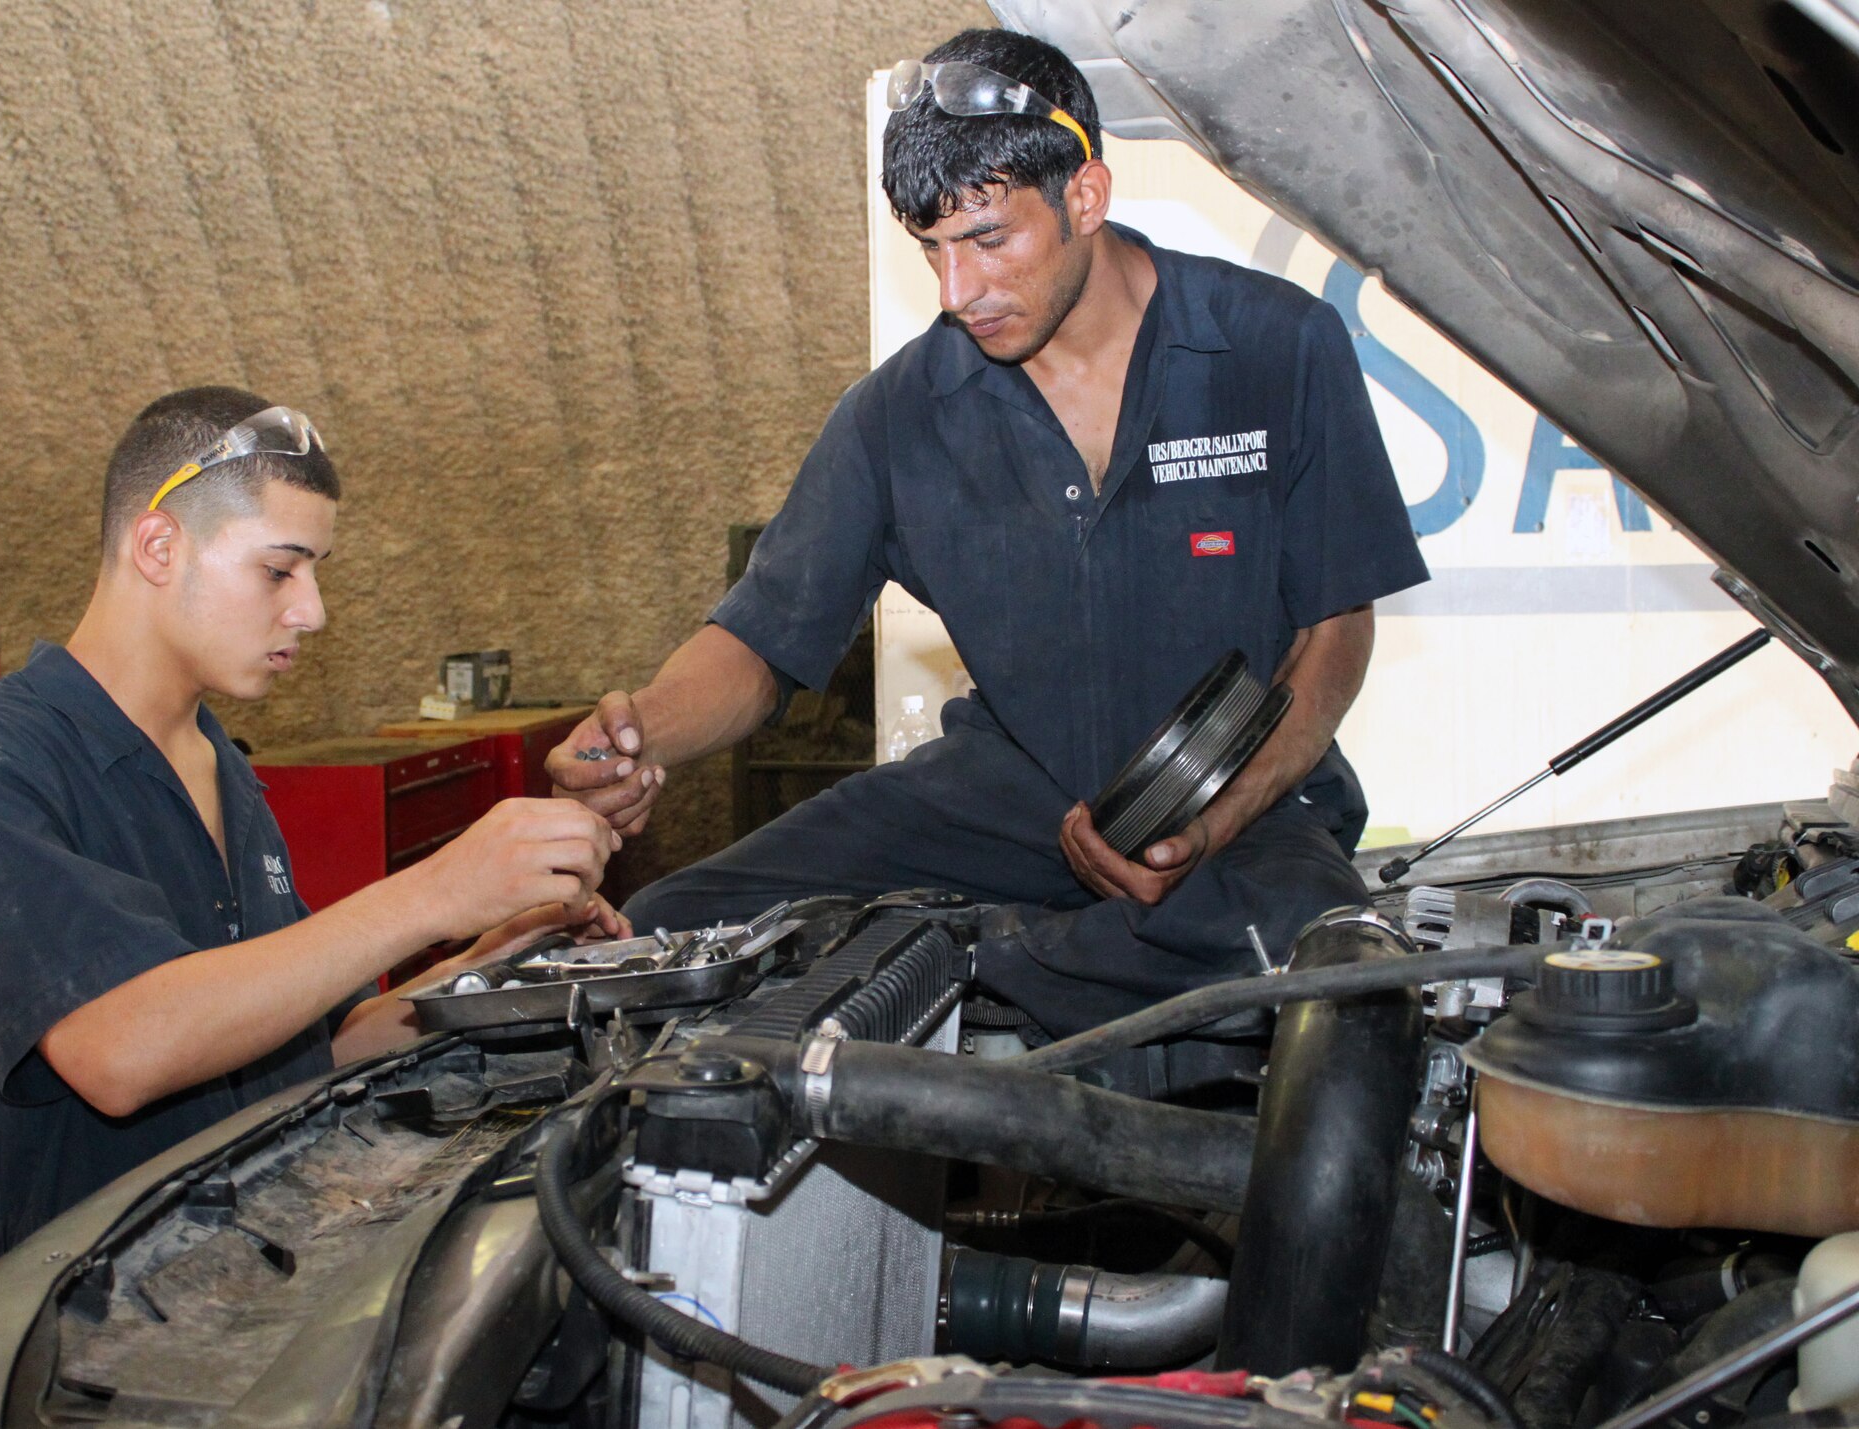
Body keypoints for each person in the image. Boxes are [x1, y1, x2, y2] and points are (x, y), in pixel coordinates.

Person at [547, 29, 1429, 1037]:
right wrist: (637, 733)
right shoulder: (900, 413)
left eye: (986, 240)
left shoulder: (1276, 344)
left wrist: (1209, 818)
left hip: (1241, 799)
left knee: (1316, 963)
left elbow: (1333, 629)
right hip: (1000, 800)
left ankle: (968, 955)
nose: (954, 293)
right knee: (668, 933)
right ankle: (991, 953)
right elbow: (763, 640)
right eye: (929, 247)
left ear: (1084, 197)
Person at [0, 387, 624, 1277]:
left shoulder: (219, 764)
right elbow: (122, 1049)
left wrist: (494, 958)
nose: (312, 610)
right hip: (86, 1326)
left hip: (255, 1267)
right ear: (159, 545)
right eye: (280, 569)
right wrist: (436, 890)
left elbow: (295, 1056)